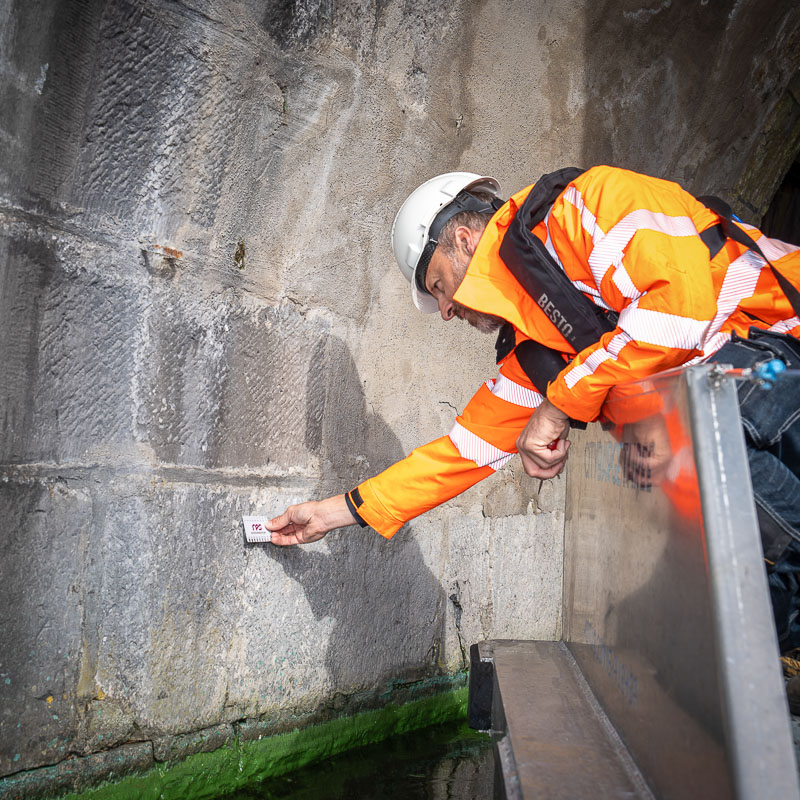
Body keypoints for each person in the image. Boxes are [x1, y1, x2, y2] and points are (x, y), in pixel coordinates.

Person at [265, 166, 800, 583]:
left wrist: (558, 406)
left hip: (781, 344)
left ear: (465, 242)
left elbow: (678, 312)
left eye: (437, 285)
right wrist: (334, 513)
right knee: (727, 575)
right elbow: (460, 454)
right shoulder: (535, 352)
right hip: (732, 397)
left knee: (696, 435)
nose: (446, 310)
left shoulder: (587, 206)